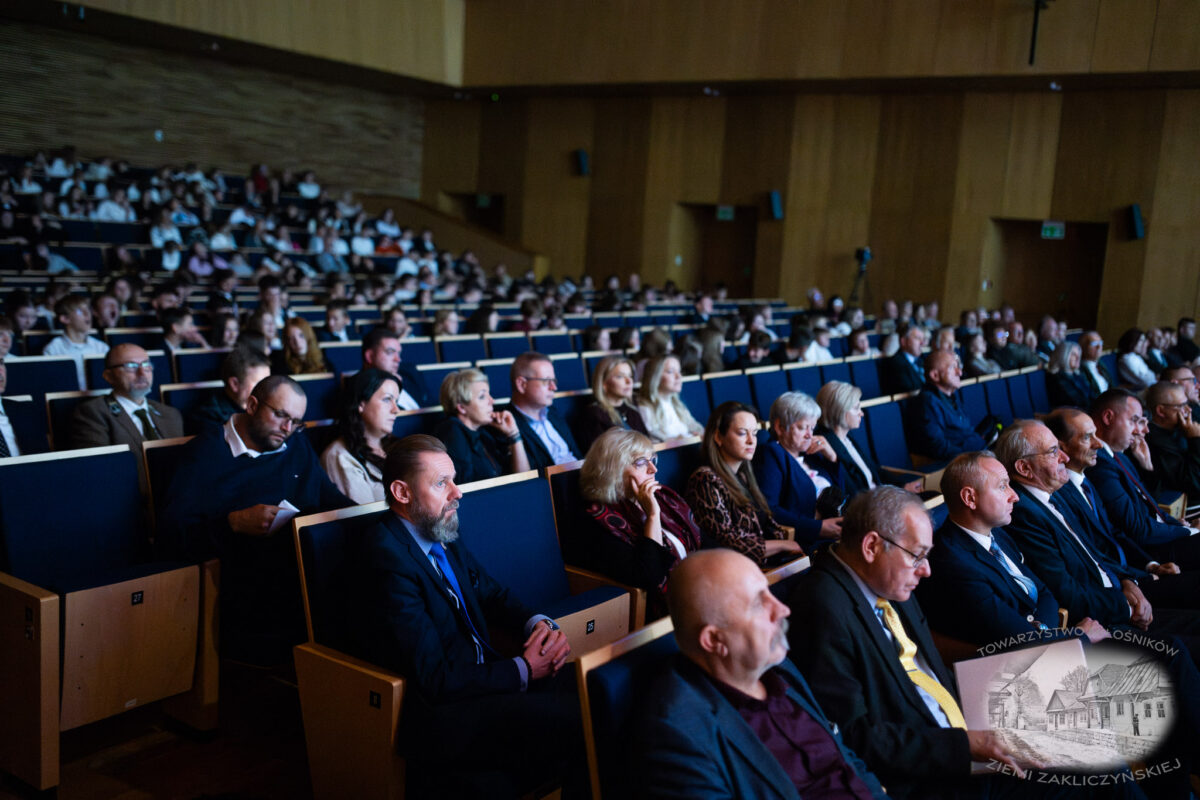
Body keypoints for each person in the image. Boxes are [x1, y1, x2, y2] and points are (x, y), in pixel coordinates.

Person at [786, 486, 1074, 800]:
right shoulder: (822, 607)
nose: (927, 570)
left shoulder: (891, 581)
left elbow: (931, 674)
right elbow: (853, 737)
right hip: (933, 777)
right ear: (871, 546)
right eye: (918, 555)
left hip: (969, 738)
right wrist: (965, 746)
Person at [352, 435, 578, 799]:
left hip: (486, 677)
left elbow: (490, 592)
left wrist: (539, 624)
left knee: (592, 690)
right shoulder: (385, 559)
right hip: (447, 713)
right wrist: (523, 669)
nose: (458, 493)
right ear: (402, 492)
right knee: (577, 723)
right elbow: (434, 677)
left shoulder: (439, 529)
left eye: (453, 480)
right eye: (442, 483)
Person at [637, 549, 887, 799]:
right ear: (714, 640)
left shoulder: (780, 668)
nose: (782, 610)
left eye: (769, 592)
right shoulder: (679, 733)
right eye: (758, 604)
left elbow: (843, 756)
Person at [158, 376, 352, 664]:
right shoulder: (205, 454)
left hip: (302, 564)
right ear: (251, 405)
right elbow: (173, 535)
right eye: (281, 415)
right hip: (247, 580)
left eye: (296, 421)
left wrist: (371, 516)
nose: (288, 428)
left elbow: (330, 497)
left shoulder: (295, 444)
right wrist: (233, 523)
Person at [995, 420, 1200, 641]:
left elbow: (1096, 552)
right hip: (1103, 615)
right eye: (1054, 452)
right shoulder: (1023, 513)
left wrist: (1128, 580)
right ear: (1024, 468)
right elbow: (1065, 590)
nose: (1065, 458)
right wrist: (1126, 605)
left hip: (1118, 589)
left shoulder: (1056, 493)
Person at [918, 451, 1111, 645]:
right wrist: (1081, 638)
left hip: (1048, 645)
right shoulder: (953, 564)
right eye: (1003, 486)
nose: (1015, 496)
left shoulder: (998, 533)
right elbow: (1020, 643)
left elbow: (1044, 593)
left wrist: (1041, 631)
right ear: (970, 498)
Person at [578, 428, 701, 617]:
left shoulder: (664, 498)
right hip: (663, 612)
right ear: (614, 470)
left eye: (653, 460)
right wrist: (653, 515)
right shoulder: (598, 521)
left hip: (698, 588)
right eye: (641, 463)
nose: (654, 469)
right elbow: (649, 576)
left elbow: (702, 541)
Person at [1087, 389, 1200, 567]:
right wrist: (1189, 531)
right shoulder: (1099, 465)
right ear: (1108, 418)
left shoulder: (1119, 455)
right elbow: (1138, 529)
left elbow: (1150, 508)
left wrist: (1147, 468)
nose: (1143, 430)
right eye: (1135, 421)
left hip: (1166, 536)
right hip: (1154, 552)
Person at [686, 401, 801, 566]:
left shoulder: (744, 476)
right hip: (730, 571)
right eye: (742, 433)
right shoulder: (705, 480)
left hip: (758, 565)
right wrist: (782, 544)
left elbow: (768, 525)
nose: (751, 441)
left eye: (754, 433)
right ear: (718, 437)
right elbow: (726, 543)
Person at [753, 392, 843, 552]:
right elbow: (768, 509)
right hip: (809, 544)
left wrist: (832, 458)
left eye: (812, 428)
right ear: (780, 427)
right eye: (803, 428)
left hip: (835, 535)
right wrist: (817, 527)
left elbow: (840, 491)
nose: (810, 435)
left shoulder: (811, 454)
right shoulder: (771, 454)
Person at [816, 380, 923, 498]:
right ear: (839, 411)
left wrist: (903, 486)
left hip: (879, 496)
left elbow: (874, 470)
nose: (861, 413)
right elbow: (850, 490)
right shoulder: (826, 446)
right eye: (856, 408)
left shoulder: (847, 439)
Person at [72, 343, 183, 449]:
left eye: (146, 365)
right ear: (108, 376)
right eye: (131, 366)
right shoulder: (93, 413)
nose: (142, 373)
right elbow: (101, 465)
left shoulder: (171, 414)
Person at [434, 368, 529, 484]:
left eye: (489, 395)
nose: (492, 401)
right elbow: (465, 489)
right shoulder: (451, 432)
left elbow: (524, 479)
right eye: (482, 397)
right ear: (461, 407)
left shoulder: (484, 432)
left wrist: (513, 434)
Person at [321, 367, 402, 504]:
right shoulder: (339, 456)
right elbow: (365, 520)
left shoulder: (397, 447)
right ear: (361, 404)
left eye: (397, 401)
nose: (396, 410)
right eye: (387, 399)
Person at [903, 349, 988, 462]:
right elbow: (939, 448)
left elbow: (966, 430)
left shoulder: (951, 396)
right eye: (953, 367)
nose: (960, 372)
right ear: (935, 375)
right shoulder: (927, 402)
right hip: (961, 463)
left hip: (975, 454)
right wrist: (973, 454)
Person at [504, 351, 581, 470]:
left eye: (553, 381)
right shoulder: (507, 425)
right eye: (546, 381)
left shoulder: (553, 413)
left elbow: (578, 456)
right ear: (522, 384)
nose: (554, 388)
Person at [575, 355, 650, 455]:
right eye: (620, 376)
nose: (629, 381)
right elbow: (601, 457)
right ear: (604, 383)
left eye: (630, 376)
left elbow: (646, 443)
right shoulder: (593, 415)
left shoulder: (632, 408)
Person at [191, 345, 271, 433]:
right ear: (234, 384)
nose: (267, 389)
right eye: (259, 383)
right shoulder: (209, 416)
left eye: (267, 382)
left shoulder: (266, 408)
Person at [1142, 380, 1200, 502]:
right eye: (1181, 406)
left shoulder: (1181, 428)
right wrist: (1195, 440)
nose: (1188, 410)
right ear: (1161, 411)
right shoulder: (1153, 440)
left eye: (1187, 403)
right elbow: (1193, 484)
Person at [42, 294, 109, 389]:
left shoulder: (101, 347)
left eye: (88, 309)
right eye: (80, 311)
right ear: (65, 318)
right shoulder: (53, 349)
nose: (87, 314)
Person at [634, 354, 702, 441]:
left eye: (679, 371)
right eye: (670, 371)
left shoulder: (677, 404)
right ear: (655, 376)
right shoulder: (645, 407)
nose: (678, 376)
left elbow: (697, 428)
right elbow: (656, 441)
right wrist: (680, 440)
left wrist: (700, 434)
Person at [361, 327, 428, 408]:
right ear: (370, 356)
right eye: (390, 352)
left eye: (398, 353)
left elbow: (429, 403)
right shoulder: (358, 388)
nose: (398, 359)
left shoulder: (409, 373)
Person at [878, 323, 925, 396]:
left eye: (923, 339)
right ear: (904, 341)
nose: (922, 343)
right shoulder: (894, 363)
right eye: (917, 338)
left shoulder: (922, 360)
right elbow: (911, 390)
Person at [1045, 341, 1092, 408]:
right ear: (1063, 355)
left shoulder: (1077, 374)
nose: (1078, 358)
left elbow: (1091, 394)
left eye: (1079, 354)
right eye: (1073, 354)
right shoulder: (1056, 378)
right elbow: (1076, 401)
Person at [1077, 331, 1112, 397]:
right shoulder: (1079, 369)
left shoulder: (1100, 364)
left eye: (1101, 342)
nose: (1099, 346)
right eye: (1094, 343)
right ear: (1083, 347)